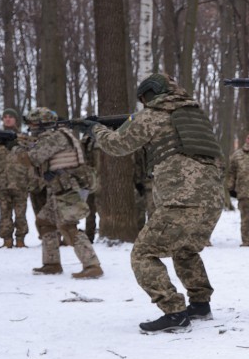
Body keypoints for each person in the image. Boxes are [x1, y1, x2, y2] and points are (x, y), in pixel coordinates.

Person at [85, 73, 224, 333]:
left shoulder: (153, 115)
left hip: (181, 201)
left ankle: (174, 312)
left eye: (144, 100)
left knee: (143, 254)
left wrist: (95, 129)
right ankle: (200, 304)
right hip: (213, 200)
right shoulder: (194, 115)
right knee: (184, 250)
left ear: (150, 94)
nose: (144, 105)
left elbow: (117, 146)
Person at [17, 108, 103, 278]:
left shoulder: (55, 137)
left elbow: (32, 159)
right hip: (60, 189)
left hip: (68, 189)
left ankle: (92, 265)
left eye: (33, 124)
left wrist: (18, 148)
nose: (31, 127)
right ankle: (52, 263)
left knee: (68, 227)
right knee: (45, 221)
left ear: (42, 124)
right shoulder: (54, 136)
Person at [0, 108, 33, 248]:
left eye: (10, 117)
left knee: (21, 213)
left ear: (15, 120)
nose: (7, 119)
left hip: (20, 181)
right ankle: (7, 240)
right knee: (4, 212)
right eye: (5, 117)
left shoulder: (23, 138)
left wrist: (30, 179)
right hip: (2, 181)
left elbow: (31, 160)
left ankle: (20, 239)